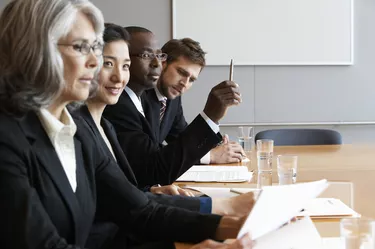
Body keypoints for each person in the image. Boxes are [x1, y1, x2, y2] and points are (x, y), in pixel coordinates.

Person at [0, 1, 252, 248]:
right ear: (33, 49)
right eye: (80, 47)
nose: (94, 63)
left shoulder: (74, 129)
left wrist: (230, 226)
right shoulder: (8, 137)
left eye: (96, 50)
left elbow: (139, 211)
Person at [78, 23, 255, 248]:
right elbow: (151, 171)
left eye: (125, 65)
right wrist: (210, 121)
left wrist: (224, 220)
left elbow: (131, 194)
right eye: (109, 64)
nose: (118, 76)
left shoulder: (105, 124)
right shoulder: (115, 110)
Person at [103, 27, 243, 187]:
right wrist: (210, 125)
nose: (184, 83)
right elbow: (154, 161)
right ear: (164, 63)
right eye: (181, 72)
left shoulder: (171, 99)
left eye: (192, 80)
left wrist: (216, 144)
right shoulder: (129, 99)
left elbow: (180, 135)